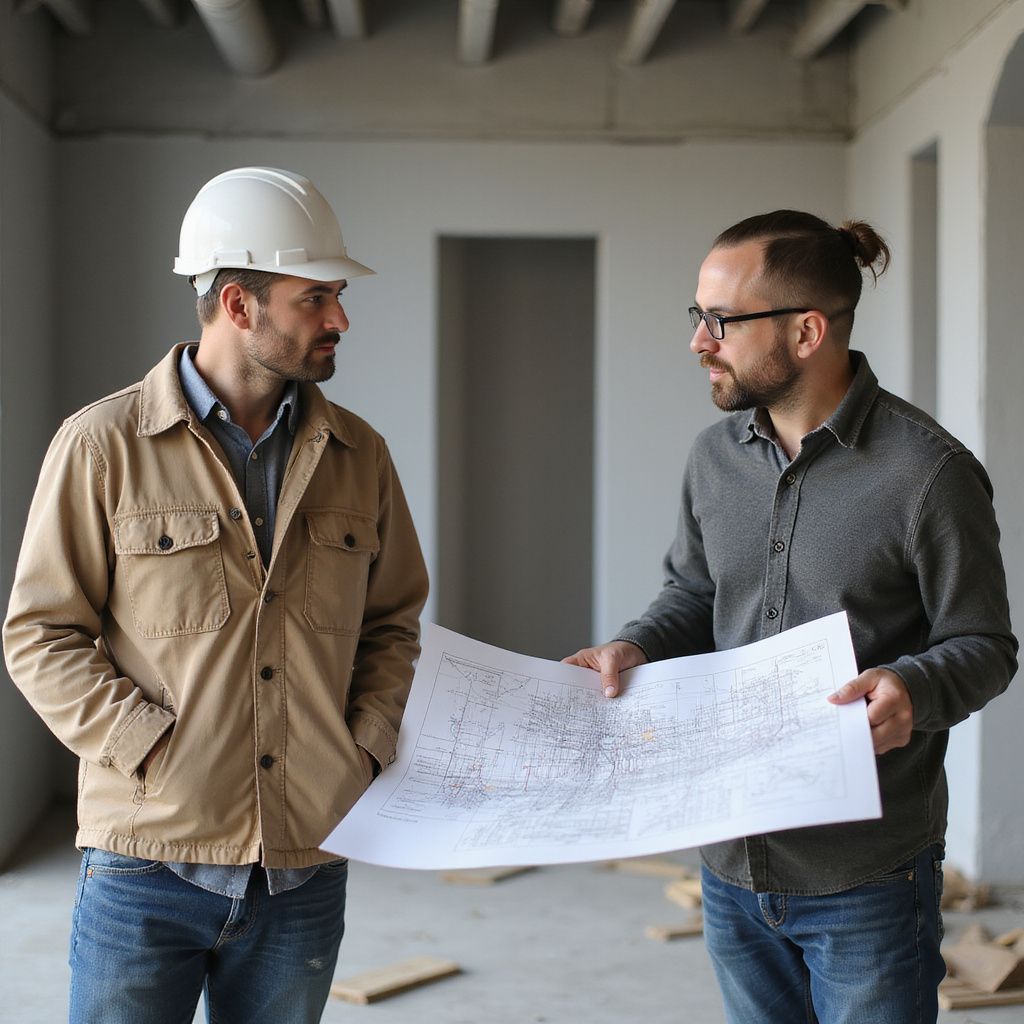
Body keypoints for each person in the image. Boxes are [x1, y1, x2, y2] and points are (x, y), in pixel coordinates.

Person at [565, 210, 1017, 1024]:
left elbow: (984, 645)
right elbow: (695, 594)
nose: (699, 341)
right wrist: (632, 645)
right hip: (728, 858)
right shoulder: (712, 458)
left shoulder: (930, 474)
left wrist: (911, 687)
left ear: (808, 330)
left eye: (721, 321)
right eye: (696, 316)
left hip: (865, 878)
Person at [3, 166, 428, 1024]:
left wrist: (366, 745)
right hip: (144, 865)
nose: (340, 318)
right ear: (239, 304)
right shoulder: (103, 446)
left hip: (304, 866)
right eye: (316, 298)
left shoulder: (361, 455)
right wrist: (149, 747)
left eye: (337, 295)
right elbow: (40, 634)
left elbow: (393, 621)